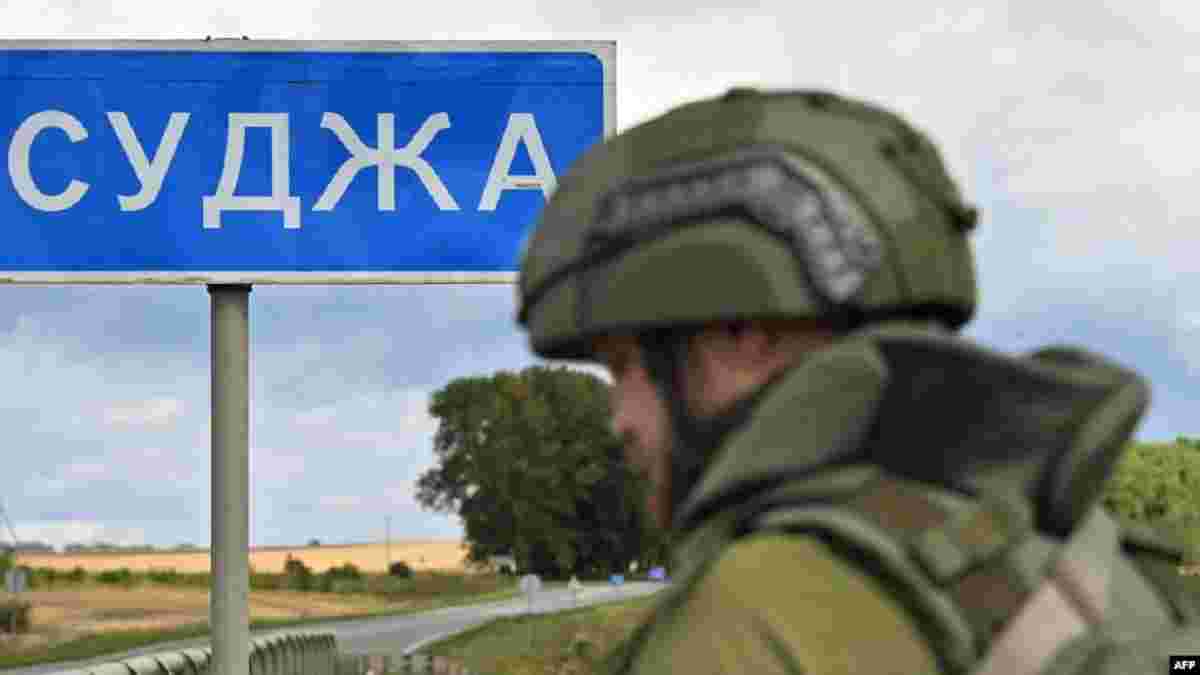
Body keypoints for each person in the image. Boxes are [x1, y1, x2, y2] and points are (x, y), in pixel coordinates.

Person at [514, 88, 1198, 674]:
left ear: (741, 333)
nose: (619, 418)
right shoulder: (1073, 559)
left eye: (625, 368)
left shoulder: (761, 614)